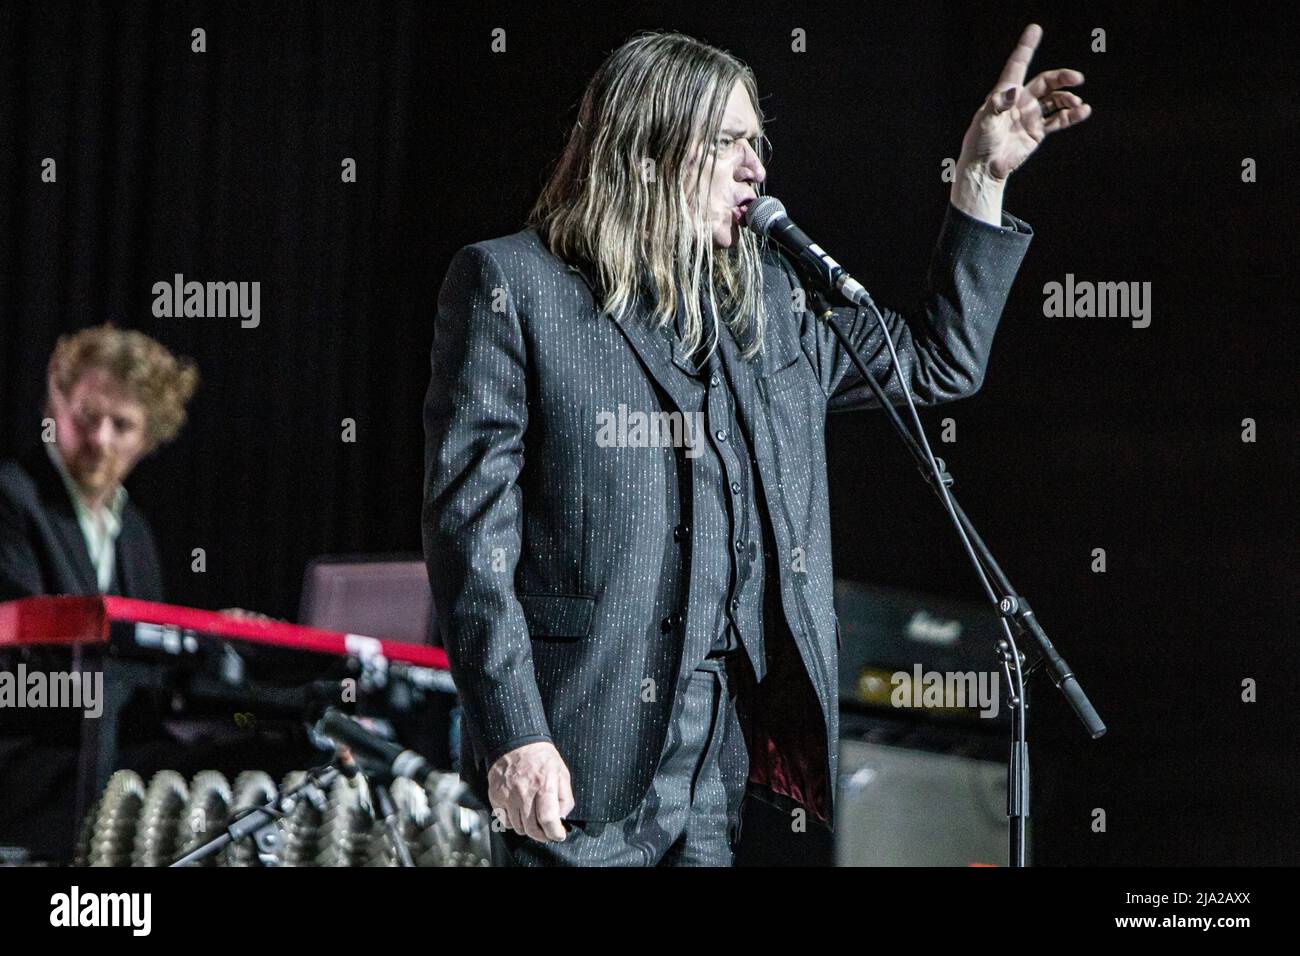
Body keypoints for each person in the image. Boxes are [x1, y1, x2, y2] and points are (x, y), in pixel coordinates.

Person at [422, 26, 1088, 866]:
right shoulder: (515, 286)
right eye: (728, 142)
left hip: (719, 764)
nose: (755, 167)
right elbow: (469, 537)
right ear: (649, 150)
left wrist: (982, 178)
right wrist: (513, 733)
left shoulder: (767, 317)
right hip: (576, 750)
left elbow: (938, 362)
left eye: (756, 143)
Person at [0, 324, 198, 602]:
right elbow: (22, 634)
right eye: (88, 415)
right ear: (56, 405)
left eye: (122, 425)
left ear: (148, 438)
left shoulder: (135, 532)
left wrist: (218, 638)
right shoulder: (10, 498)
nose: (100, 439)